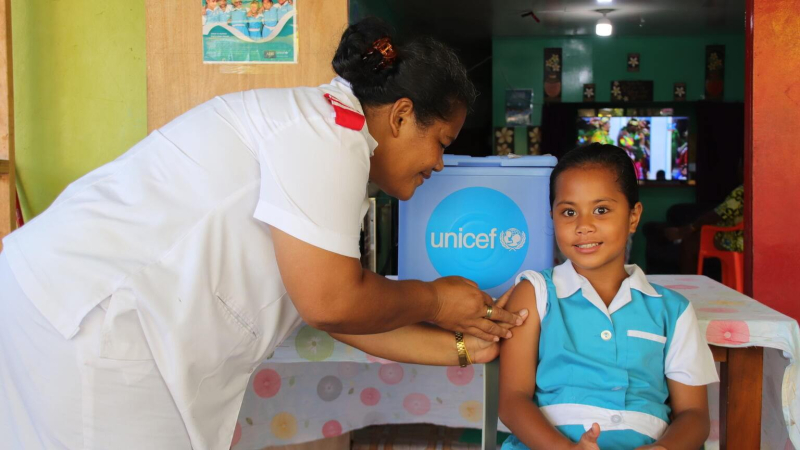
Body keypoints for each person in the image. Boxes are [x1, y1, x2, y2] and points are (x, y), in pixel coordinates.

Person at [0, 18, 526, 450]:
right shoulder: (330, 137)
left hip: (57, 303)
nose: (439, 162)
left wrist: (464, 348)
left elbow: (343, 315)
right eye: (440, 141)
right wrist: (436, 300)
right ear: (401, 116)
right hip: (93, 319)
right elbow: (333, 302)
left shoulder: (323, 134)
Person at [498, 144, 718, 449]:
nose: (583, 226)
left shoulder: (672, 310)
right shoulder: (534, 293)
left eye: (601, 210)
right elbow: (512, 401)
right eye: (569, 212)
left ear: (632, 216)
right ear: (552, 217)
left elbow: (694, 414)